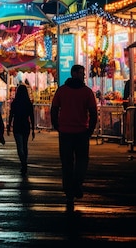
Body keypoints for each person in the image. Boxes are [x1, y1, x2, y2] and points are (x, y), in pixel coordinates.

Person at [50, 64, 98, 210]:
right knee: (82, 160)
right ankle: (77, 183)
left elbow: (54, 109)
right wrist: (90, 129)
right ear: (74, 73)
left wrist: (57, 125)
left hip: (65, 132)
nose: (83, 75)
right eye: (81, 73)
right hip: (81, 132)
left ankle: (68, 190)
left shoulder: (62, 91)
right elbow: (93, 113)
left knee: (67, 162)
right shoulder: (87, 92)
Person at [7, 85, 35, 175]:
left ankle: (23, 163)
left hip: (17, 125)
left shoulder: (15, 103)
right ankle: (24, 162)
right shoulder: (28, 103)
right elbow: (32, 116)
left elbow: (11, 114)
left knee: (19, 146)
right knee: (25, 145)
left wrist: (9, 125)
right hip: (26, 125)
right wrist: (33, 128)